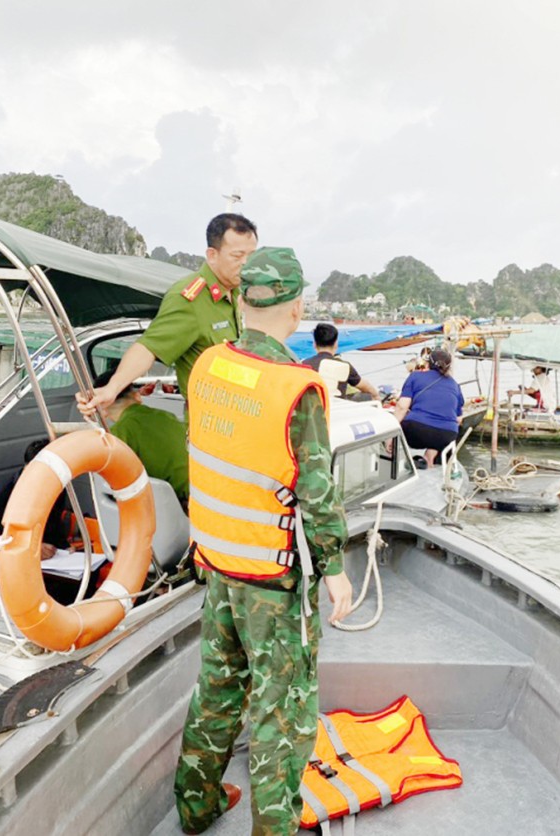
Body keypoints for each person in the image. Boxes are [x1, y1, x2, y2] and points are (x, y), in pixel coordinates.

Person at [174, 247, 354, 835]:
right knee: (283, 714)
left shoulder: (206, 367)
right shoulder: (296, 388)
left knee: (217, 690)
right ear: (297, 307)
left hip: (218, 565)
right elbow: (317, 494)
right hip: (274, 583)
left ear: (242, 300)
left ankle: (196, 808)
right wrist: (335, 569)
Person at [76, 213, 258, 418]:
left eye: (251, 256)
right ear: (212, 255)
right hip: (210, 424)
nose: (246, 264)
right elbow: (149, 347)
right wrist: (113, 388)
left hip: (236, 418)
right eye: (237, 256)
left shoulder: (235, 293)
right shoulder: (190, 300)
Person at [0, 438, 68, 591]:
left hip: (47, 564)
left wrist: (65, 549)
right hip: (1, 571)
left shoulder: (56, 490)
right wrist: (29, 549)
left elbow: (54, 525)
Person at [93, 371, 189, 504]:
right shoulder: (168, 416)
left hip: (175, 504)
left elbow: (109, 483)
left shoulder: (118, 434)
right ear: (137, 396)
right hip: (198, 491)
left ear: (101, 407)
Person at [394, 347, 464, 468]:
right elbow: (458, 419)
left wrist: (390, 436)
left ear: (428, 363)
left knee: (404, 421)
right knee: (441, 428)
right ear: (449, 366)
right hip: (447, 435)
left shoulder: (415, 376)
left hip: (416, 432)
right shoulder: (455, 385)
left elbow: (401, 407)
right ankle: (429, 458)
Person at [301, 322, 378, 399]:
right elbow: (366, 387)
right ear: (336, 344)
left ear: (314, 344)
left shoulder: (303, 365)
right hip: (337, 408)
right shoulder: (344, 365)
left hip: (312, 409)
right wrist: (376, 396)